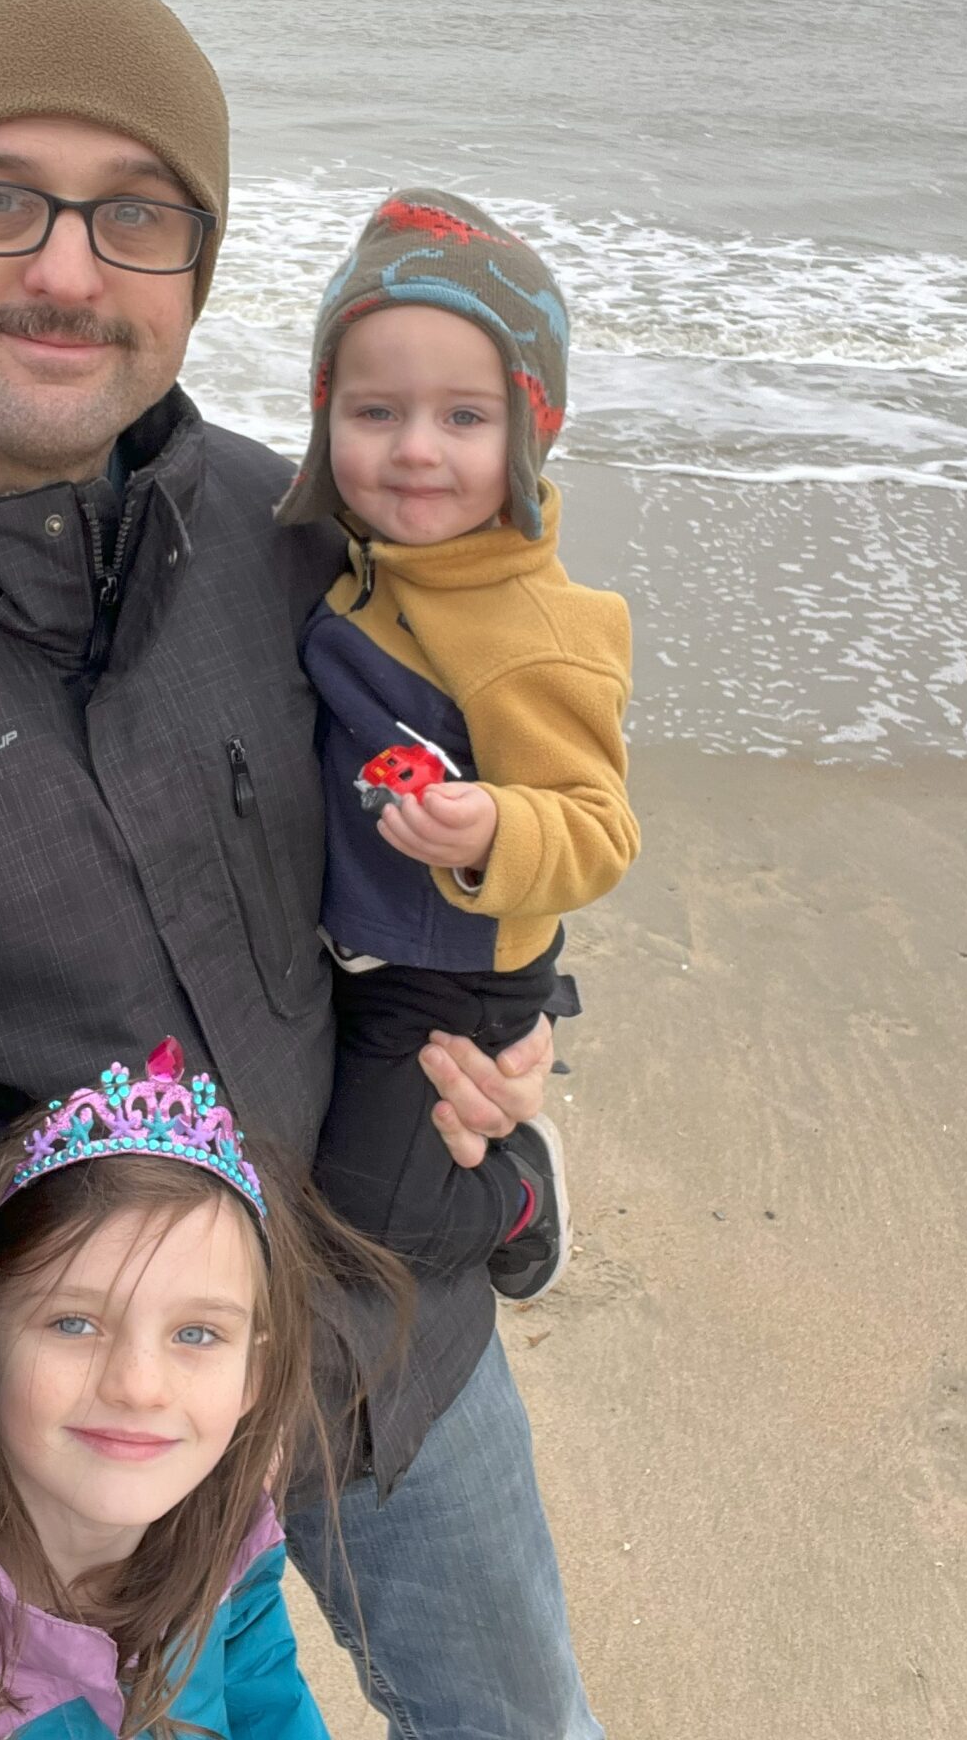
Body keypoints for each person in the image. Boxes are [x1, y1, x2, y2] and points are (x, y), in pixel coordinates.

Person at [0, 0, 601, 1739]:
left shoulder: (298, 536)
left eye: (139, 214)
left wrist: (517, 1047)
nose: (70, 269)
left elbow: (477, 842)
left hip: (394, 1328)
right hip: (73, 1431)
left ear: (201, 263)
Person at [276, 189, 637, 1303]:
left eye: (466, 420)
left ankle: (519, 1197)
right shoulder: (358, 561)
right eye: (375, 413)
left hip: (456, 973)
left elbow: (598, 829)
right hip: (361, 941)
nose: (416, 451)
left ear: (530, 433)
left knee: (368, 1223)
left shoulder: (535, 635)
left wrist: (492, 827)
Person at [0, 1038, 407, 1740]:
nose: (138, 1386)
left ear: (254, 1372)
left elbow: (264, 1697)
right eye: (73, 1322)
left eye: (196, 1334)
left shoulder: (229, 1533)